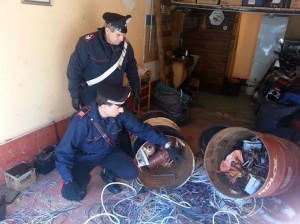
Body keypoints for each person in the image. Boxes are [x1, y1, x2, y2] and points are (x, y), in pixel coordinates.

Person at [55, 82, 184, 201]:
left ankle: (107, 173)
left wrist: (166, 144)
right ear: (104, 106)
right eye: (118, 106)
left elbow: (142, 129)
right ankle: (80, 178)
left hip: (109, 153)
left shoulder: (120, 113)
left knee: (131, 172)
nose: (122, 109)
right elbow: (63, 152)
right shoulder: (81, 121)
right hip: (84, 158)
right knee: (71, 194)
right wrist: (68, 180)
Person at [67, 12, 140, 111]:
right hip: (92, 99)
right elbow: (74, 70)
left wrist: (136, 88)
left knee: (115, 126)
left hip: (115, 100)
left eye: (123, 35)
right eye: (118, 35)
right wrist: (75, 96)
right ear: (107, 30)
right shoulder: (87, 44)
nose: (122, 38)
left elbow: (132, 68)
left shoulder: (126, 47)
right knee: (94, 126)